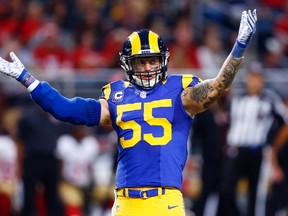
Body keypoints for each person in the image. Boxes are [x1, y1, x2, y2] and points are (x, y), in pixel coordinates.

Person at [0, 9, 257, 216]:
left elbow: (216, 87)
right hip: (125, 203)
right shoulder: (116, 95)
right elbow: (66, 110)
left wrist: (239, 45)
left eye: (152, 60)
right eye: (140, 61)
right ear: (127, 65)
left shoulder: (180, 91)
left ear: (162, 61)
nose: (147, 67)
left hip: (164, 202)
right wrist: (28, 80)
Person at [216, 64, 288, 216]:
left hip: (257, 151)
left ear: (262, 80)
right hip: (235, 150)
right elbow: (224, 118)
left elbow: (284, 123)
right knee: (226, 190)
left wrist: (273, 148)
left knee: (256, 195)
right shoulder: (236, 99)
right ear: (247, 79)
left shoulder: (270, 100)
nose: (254, 82)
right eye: (252, 78)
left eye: (258, 78)